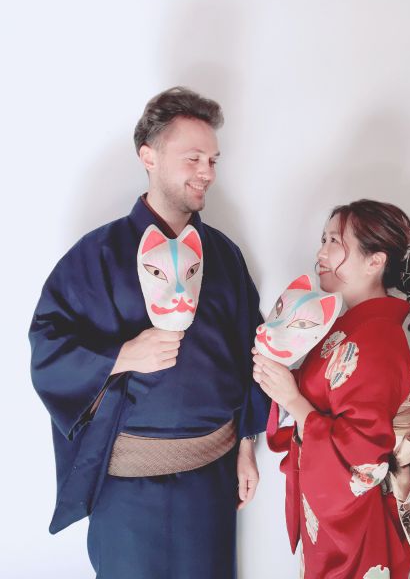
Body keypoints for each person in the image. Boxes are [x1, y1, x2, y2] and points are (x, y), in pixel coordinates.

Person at [29, 87, 269, 579]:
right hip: (126, 484)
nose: (207, 172)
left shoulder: (223, 255)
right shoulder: (97, 254)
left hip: (211, 476)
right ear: (149, 157)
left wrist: (247, 444)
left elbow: (253, 349)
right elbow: (47, 343)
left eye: (213, 160)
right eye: (193, 158)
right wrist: (121, 356)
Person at [253, 199, 410, 579]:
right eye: (323, 240)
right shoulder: (349, 327)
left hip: (356, 528)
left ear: (374, 261)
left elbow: (363, 454)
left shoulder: (377, 339)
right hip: (331, 521)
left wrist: (292, 398)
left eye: (334, 241)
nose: (320, 252)